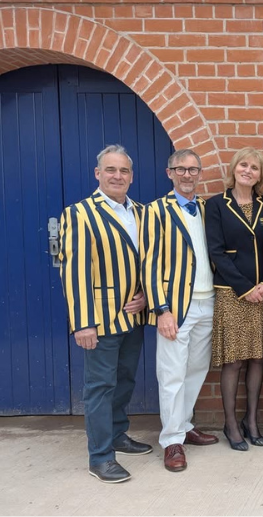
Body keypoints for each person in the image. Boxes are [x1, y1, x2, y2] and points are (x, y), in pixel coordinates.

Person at [59, 144, 150, 483]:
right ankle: (100, 457)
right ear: (98, 174)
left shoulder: (140, 212)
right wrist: (82, 323)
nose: (118, 176)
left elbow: (148, 263)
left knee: (124, 380)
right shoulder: (80, 213)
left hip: (134, 316)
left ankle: (116, 434)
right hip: (99, 319)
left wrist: (147, 296)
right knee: (99, 386)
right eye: (111, 170)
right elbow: (75, 272)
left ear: (131, 176)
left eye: (124, 171)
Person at [140, 149, 219, 473]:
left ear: (200, 173)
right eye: (181, 169)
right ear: (169, 172)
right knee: (171, 374)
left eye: (193, 169)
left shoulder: (206, 208)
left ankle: (184, 426)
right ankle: (172, 441)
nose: (187, 175)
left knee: (196, 369)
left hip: (208, 301)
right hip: (176, 307)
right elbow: (150, 263)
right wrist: (162, 309)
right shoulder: (156, 211)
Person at [205, 147, 263, 451]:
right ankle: (231, 424)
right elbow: (216, 252)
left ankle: (251, 421)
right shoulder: (216, 205)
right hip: (232, 294)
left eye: (254, 167)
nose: (248, 171)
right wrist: (244, 287)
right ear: (234, 168)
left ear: (261, 175)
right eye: (243, 165)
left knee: (258, 359)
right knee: (234, 361)